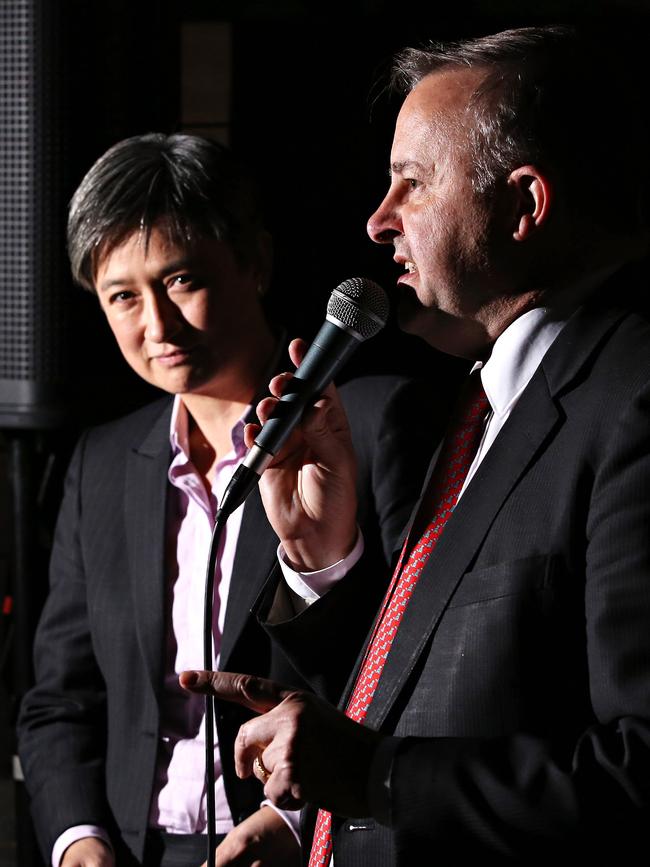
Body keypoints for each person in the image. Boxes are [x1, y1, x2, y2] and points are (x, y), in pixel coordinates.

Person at [182, 23, 650, 864]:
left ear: (524, 205)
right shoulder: (480, 407)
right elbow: (438, 694)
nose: (377, 220)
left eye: (412, 185)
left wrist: (379, 778)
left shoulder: (632, 397)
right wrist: (325, 555)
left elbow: (639, 772)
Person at [16, 133, 436, 867]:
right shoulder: (104, 460)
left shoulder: (375, 424)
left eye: (181, 281)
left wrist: (299, 819)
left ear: (256, 263)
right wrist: (77, 839)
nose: (156, 325)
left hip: (307, 844)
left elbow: (418, 676)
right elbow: (60, 699)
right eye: (123, 296)